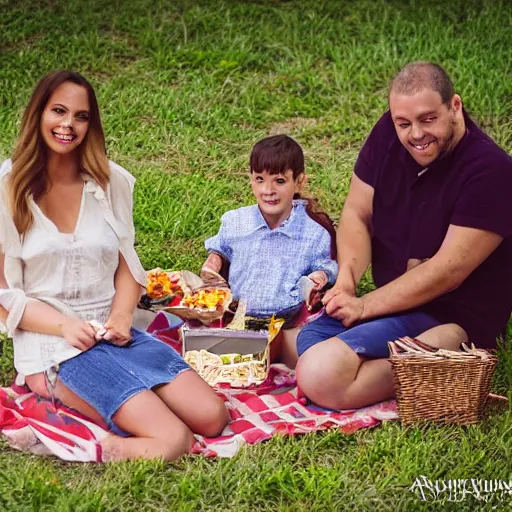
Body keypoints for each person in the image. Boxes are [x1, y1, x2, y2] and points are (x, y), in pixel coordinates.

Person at [0, 70, 228, 461]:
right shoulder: (9, 186)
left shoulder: (111, 183)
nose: (68, 125)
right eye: (58, 111)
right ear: (38, 115)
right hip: (54, 343)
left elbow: (127, 269)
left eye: (81, 116)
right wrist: (64, 325)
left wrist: (122, 318)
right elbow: (4, 296)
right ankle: (81, 441)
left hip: (111, 330)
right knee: (173, 440)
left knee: (212, 417)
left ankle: (124, 407)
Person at [295, 62, 512, 410]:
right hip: (393, 302)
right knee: (304, 340)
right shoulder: (388, 133)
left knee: (320, 373)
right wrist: (348, 281)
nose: (415, 134)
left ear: (454, 106)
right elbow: (357, 213)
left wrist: (364, 305)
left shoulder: (492, 171)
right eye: (404, 123)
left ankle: (449, 352)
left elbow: (448, 272)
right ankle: (427, 365)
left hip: (448, 311)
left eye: (428, 119)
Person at [202, 135, 338, 368]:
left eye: (279, 181)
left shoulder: (314, 232)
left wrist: (319, 278)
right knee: (203, 352)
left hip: (290, 321)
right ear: (250, 180)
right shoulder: (235, 221)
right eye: (260, 179)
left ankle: (274, 353)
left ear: (299, 182)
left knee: (317, 359)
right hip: (238, 318)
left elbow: (325, 265)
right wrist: (212, 265)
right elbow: (220, 249)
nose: (268, 190)